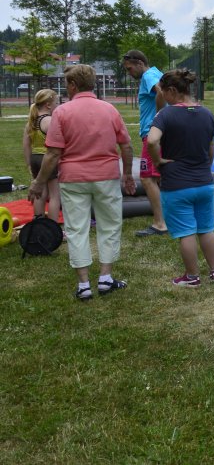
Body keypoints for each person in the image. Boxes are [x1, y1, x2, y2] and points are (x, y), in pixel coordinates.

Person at [28, 64, 137, 301]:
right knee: (110, 226)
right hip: (106, 176)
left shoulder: (62, 112)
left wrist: (39, 181)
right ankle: (106, 278)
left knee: (76, 229)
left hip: (73, 178)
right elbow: (126, 146)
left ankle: (84, 285)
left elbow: (53, 153)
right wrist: (128, 174)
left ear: (73, 85)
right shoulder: (109, 109)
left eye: (66, 83)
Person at [146, 69, 214, 287]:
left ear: (172, 90)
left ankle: (192, 277)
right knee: (206, 228)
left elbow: (152, 141)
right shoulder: (207, 113)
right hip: (204, 182)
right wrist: (205, 167)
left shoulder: (165, 115)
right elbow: (211, 147)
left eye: (163, 92)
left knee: (186, 232)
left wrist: (158, 161)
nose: (162, 97)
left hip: (177, 184)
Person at [122, 49, 168, 236]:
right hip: (160, 133)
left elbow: (161, 92)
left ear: (140, 63)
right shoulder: (156, 72)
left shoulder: (149, 75)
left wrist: (159, 117)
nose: (129, 73)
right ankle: (168, 217)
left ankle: (160, 223)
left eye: (130, 68)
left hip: (152, 134)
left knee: (147, 177)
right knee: (159, 176)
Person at [22, 89, 61, 221]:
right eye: (56, 103)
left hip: (35, 158)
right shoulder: (49, 120)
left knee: (40, 192)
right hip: (47, 159)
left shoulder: (31, 122)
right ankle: (52, 225)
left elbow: (26, 145)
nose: (57, 105)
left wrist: (29, 163)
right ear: (48, 105)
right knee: (55, 195)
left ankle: (38, 219)